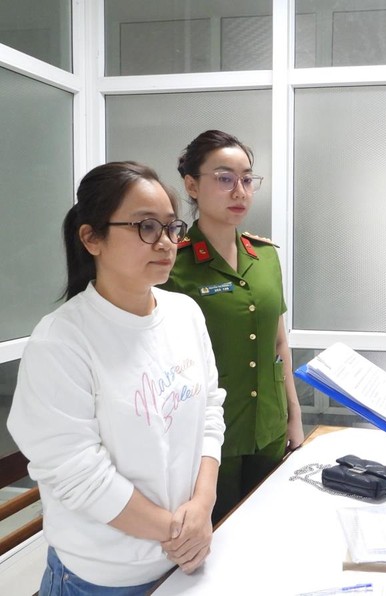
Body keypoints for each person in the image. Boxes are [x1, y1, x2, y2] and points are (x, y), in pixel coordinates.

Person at [7, 161, 226, 594]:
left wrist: (202, 507)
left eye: (171, 227)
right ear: (92, 238)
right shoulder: (61, 341)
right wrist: (177, 533)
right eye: (146, 226)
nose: (166, 243)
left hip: (186, 562)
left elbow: (210, 414)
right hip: (104, 578)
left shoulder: (184, 315)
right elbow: (79, 473)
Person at [162, 130, 304, 524]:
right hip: (207, 440)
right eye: (224, 178)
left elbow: (279, 342)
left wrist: (294, 416)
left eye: (246, 179)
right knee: (215, 541)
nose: (239, 190)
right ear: (192, 185)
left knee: (267, 531)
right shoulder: (172, 265)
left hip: (269, 427)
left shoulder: (266, 257)